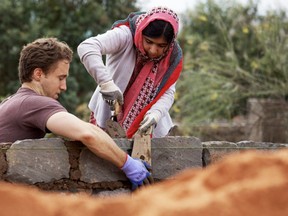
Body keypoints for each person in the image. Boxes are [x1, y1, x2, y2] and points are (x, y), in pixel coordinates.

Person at [0, 37, 153, 191]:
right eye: (60, 78)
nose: (64, 86)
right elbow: (87, 134)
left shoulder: (10, 102)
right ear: (38, 74)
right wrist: (127, 163)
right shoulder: (33, 103)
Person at [77, 6, 183, 138]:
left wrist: (156, 113)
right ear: (142, 32)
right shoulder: (125, 35)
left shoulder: (171, 56)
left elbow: (167, 91)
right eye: (149, 42)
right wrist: (106, 83)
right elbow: (87, 47)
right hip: (110, 116)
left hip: (148, 126)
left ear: (170, 43)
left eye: (161, 46)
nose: (153, 50)